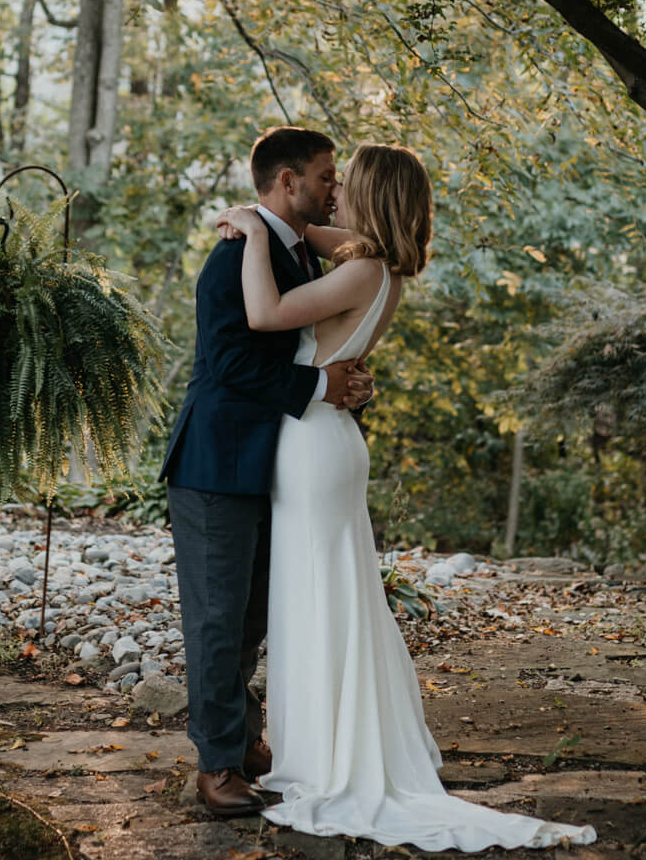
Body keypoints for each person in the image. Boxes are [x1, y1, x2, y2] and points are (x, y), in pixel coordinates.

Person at [212, 142, 598, 851]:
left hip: (312, 447)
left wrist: (250, 227)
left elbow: (265, 314)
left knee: (316, 597)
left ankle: (326, 759)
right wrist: (268, 224)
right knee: (331, 593)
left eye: (347, 183)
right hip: (329, 438)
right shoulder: (381, 265)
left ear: (373, 196)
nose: (335, 193)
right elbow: (311, 236)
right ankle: (327, 741)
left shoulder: (360, 268)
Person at [159, 126, 373, 817]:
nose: (333, 187)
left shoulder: (294, 252)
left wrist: (344, 383)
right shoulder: (234, 258)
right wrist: (320, 389)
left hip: (270, 466)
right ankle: (216, 766)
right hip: (217, 465)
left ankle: (245, 740)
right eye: (323, 176)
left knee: (251, 618)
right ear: (287, 181)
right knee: (218, 622)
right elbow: (229, 364)